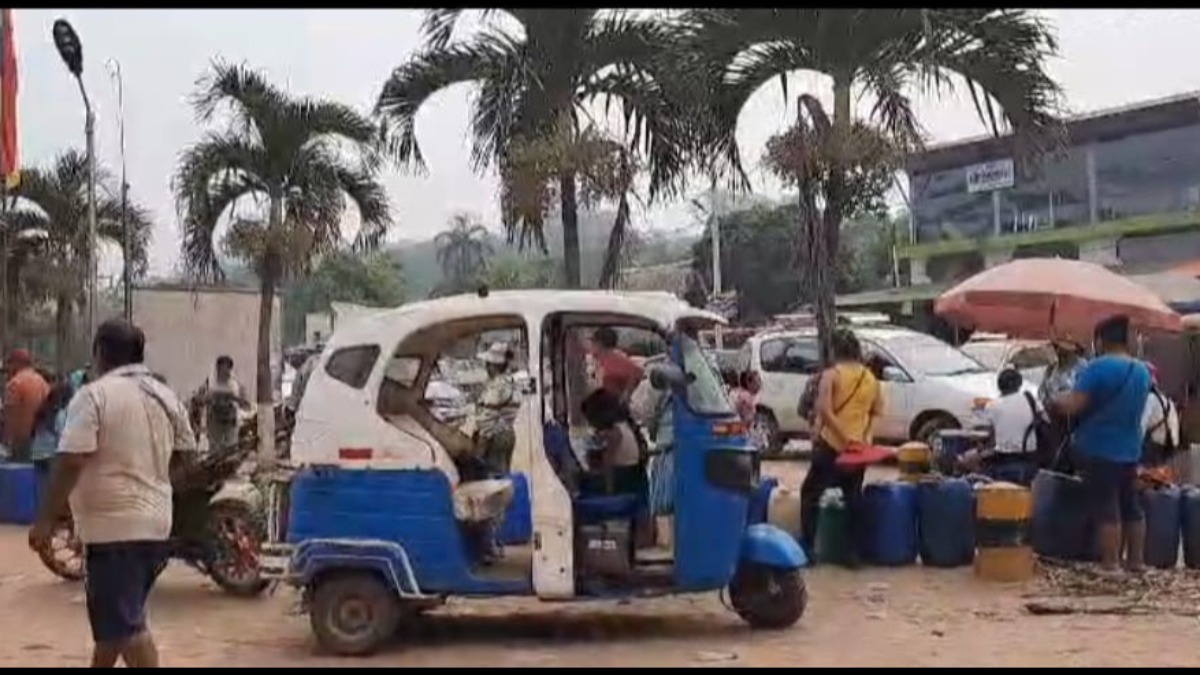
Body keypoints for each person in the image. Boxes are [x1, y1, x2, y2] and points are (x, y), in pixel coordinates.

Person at [28, 319, 198, 668]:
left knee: (125, 627)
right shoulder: (165, 396)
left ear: (100, 353)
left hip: (114, 532)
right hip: (156, 527)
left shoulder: (95, 395)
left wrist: (45, 521)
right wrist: (155, 484)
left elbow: (71, 460)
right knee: (117, 622)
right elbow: (188, 456)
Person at [1055, 315, 1151, 576]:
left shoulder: (1097, 368)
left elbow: (1074, 405)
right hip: (1130, 448)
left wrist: (1055, 401)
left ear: (1100, 340)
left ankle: (1110, 564)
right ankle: (1137, 562)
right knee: (1131, 505)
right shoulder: (1142, 371)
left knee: (1107, 506)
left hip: (1099, 448)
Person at [800, 329, 883, 566]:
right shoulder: (870, 378)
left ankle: (808, 551)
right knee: (853, 498)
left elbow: (824, 410)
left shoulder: (831, 375)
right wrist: (864, 439)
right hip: (857, 451)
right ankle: (853, 554)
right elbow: (876, 414)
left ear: (835, 350)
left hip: (831, 446)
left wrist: (842, 437)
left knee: (810, 494)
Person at [959, 368, 1042, 481]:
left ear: (999, 386)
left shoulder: (994, 405)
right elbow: (1042, 417)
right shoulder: (1030, 399)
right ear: (1019, 384)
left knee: (968, 459)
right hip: (1031, 456)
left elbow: (983, 433)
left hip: (1004, 458)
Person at [580, 387, 647, 497]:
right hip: (635, 480)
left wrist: (609, 493)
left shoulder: (613, 434)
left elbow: (608, 466)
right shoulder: (626, 426)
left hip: (622, 482)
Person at [472, 342, 519, 479]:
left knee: (493, 478)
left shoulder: (496, 386)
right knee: (502, 475)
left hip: (495, 437)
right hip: (507, 433)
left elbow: (487, 419)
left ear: (494, 366)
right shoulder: (510, 381)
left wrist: (480, 448)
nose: (486, 366)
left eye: (488, 363)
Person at [1038, 341, 1088, 469]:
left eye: (1063, 350)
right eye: (1057, 348)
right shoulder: (1051, 369)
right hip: (1054, 420)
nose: (1059, 352)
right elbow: (1042, 391)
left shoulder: (1083, 367)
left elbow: (1083, 394)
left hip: (1074, 421)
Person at [2, 349, 50, 462]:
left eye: (10, 363)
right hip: (41, 442)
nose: (8, 368)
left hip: (20, 442)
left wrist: (6, 442)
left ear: (17, 363)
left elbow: (10, 417)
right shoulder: (42, 382)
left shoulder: (15, 384)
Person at [196, 355, 248, 452]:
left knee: (230, 452)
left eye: (227, 369)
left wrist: (234, 398)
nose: (224, 372)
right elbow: (199, 400)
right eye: (222, 369)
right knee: (215, 452)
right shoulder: (209, 383)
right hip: (214, 424)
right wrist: (210, 398)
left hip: (230, 424)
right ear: (217, 369)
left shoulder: (236, 385)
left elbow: (245, 404)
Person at [1141, 363, 1180, 468]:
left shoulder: (1150, 399)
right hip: (1171, 444)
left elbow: (1141, 427)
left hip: (1155, 447)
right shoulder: (1165, 399)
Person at [590, 326, 644, 403]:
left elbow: (638, 372)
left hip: (611, 406)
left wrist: (626, 395)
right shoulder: (598, 360)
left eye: (593, 342)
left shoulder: (615, 359)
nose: (591, 346)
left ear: (600, 344)